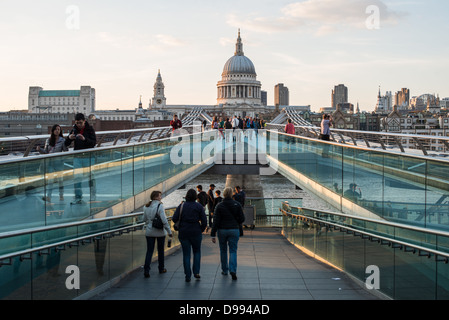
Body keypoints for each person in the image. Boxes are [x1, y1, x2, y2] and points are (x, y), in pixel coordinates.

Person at [172, 189, 207, 282]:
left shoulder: (182, 206)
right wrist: (201, 229)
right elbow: (204, 221)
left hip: (184, 231)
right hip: (196, 231)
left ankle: (187, 275)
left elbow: (174, 218)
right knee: (197, 252)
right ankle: (196, 272)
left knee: (186, 254)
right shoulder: (199, 206)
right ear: (196, 196)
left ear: (186, 196)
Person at [211, 187, 245, 280]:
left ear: (224, 194)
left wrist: (213, 234)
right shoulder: (237, 204)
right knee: (233, 250)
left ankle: (225, 270)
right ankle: (233, 270)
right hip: (234, 230)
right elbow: (242, 219)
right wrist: (236, 221)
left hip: (222, 230)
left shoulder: (219, 205)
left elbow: (216, 221)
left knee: (223, 250)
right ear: (231, 194)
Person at [65, 113, 97, 204]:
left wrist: (84, 139)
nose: (78, 124)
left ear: (84, 121)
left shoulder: (90, 129)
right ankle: (78, 197)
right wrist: (69, 138)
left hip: (88, 156)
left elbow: (93, 143)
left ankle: (92, 195)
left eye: (80, 123)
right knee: (77, 178)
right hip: (77, 157)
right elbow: (66, 144)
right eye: (77, 123)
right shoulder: (74, 129)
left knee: (91, 176)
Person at [142, 190, 173, 278]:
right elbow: (164, 220)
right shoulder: (160, 206)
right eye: (160, 196)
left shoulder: (146, 206)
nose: (161, 197)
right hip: (159, 232)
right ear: (156, 197)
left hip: (149, 231)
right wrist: (169, 231)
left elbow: (143, 219)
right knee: (160, 251)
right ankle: (161, 268)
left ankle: (146, 270)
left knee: (149, 251)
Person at [37, 124, 68, 202]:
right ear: (53, 131)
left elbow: (66, 151)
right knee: (50, 180)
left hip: (59, 163)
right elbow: (46, 152)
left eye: (59, 129)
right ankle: (49, 197)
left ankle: (61, 195)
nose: (57, 131)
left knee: (60, 180)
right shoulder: (48, 140)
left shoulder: (62, 140)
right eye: (56, 129)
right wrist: (40, 150)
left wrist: (61, 159)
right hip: (50, 163)